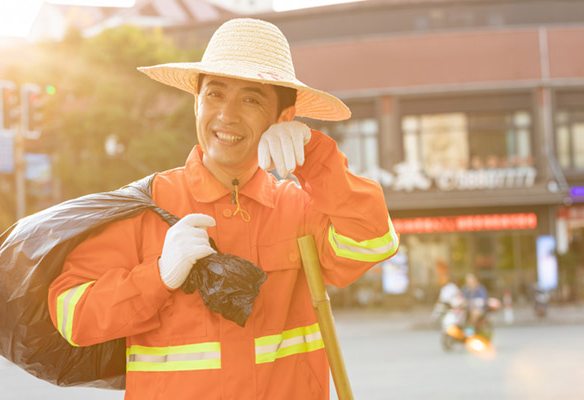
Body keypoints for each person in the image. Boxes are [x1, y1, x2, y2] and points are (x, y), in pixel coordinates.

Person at [47, 18, 398, 400]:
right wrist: (158, 276)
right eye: (214, 94)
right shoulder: (146, 206)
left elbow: (374, 241)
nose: (227, 115)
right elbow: (71, 315)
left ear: (282, 117)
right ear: (195, 103)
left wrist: (314, 157)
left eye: (251, 99)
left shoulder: (298, 208)